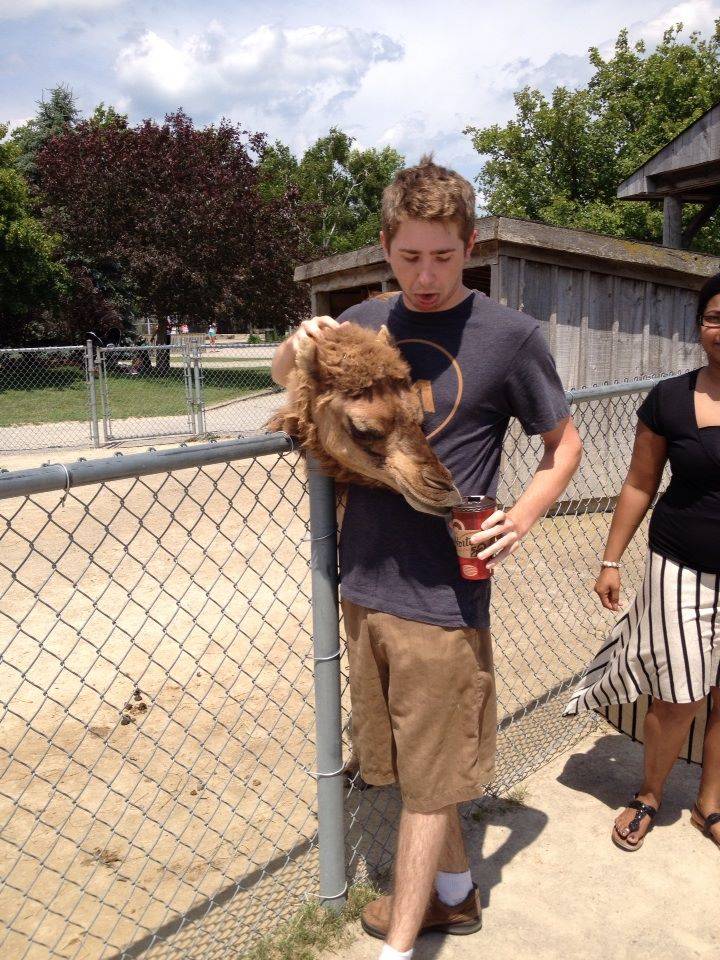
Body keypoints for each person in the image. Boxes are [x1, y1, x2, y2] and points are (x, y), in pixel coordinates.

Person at [271, 156, 582, 960]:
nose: (428, 274)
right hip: (362, 583)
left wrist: (523, 516)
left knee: (430, 781)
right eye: (410, 256)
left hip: (444, 595)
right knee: (410, 771)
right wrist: (294, 342)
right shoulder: (365, 321)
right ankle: (453, 894)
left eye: (444, 255)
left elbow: (564, 443)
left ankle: (398, 948)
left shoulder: (510, 337)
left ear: (470, 244)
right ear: (385, 247)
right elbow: (291, 385)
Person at [565, 272, 720, 853]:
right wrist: (611, 559)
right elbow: (638, 483)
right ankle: (651, 794)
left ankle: (711, 804)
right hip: (678, 561)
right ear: (700, 326)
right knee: (678, 692)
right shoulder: (670, 399)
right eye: (714, 317)